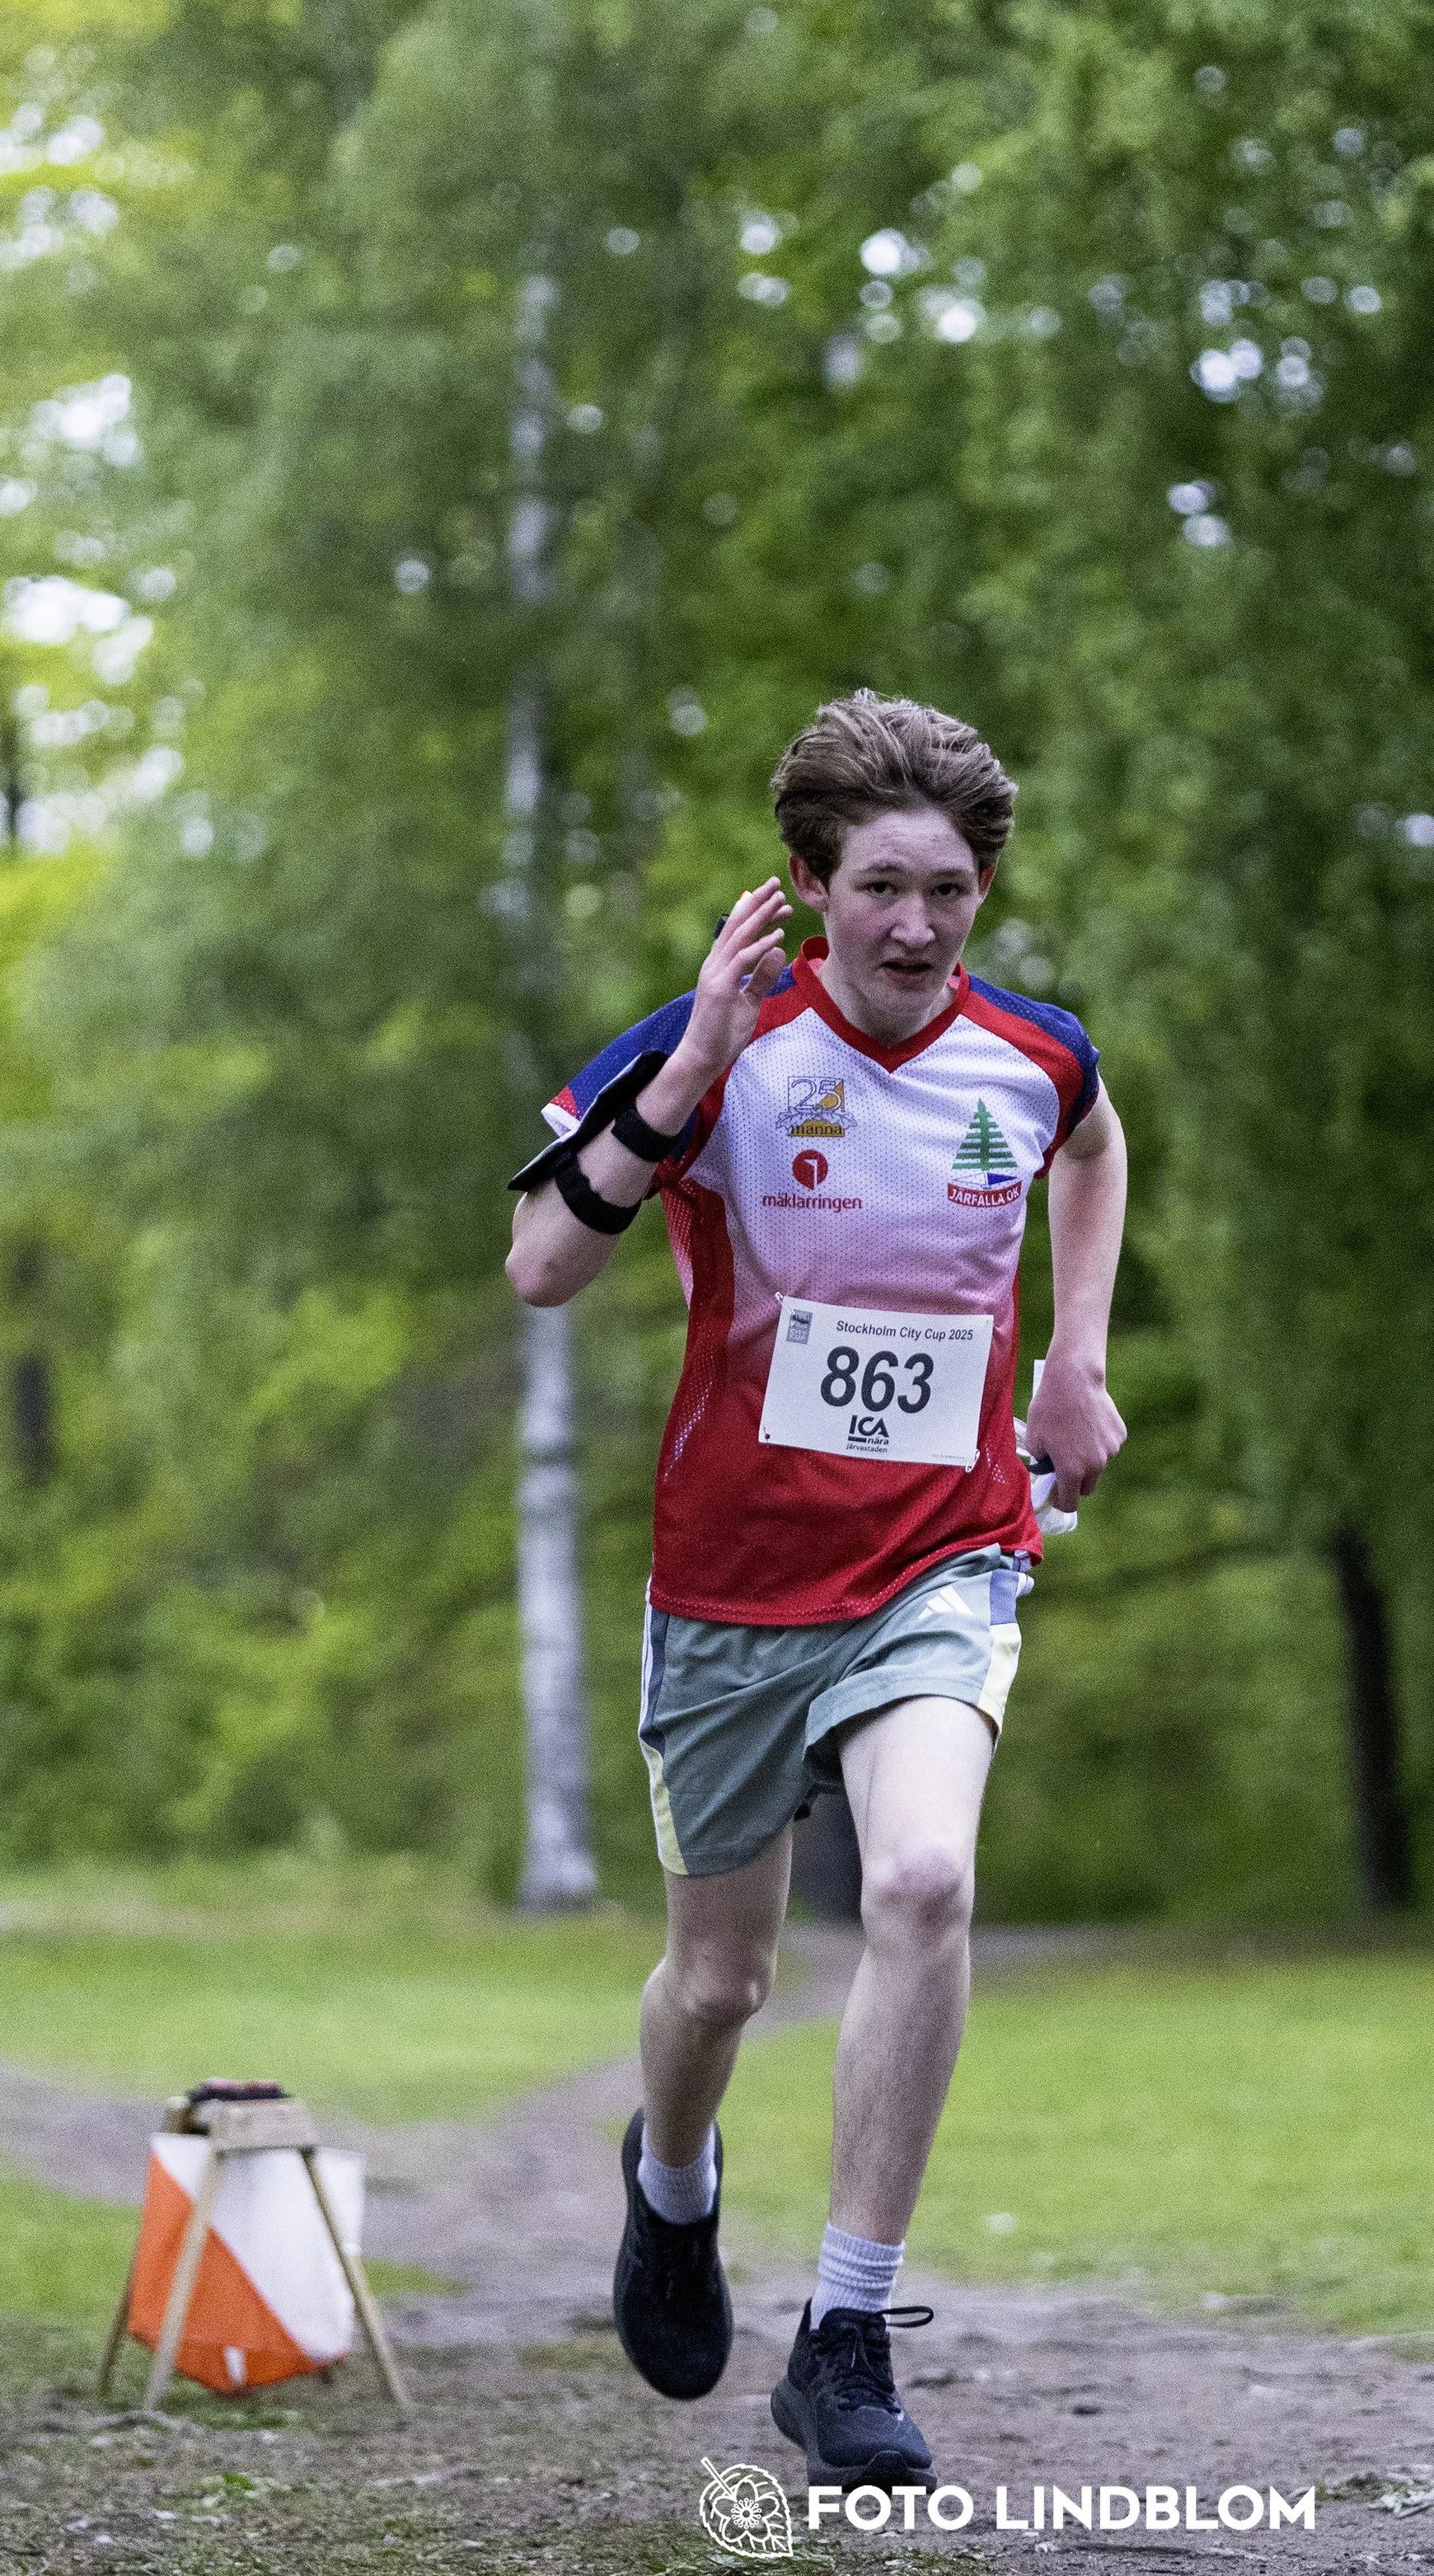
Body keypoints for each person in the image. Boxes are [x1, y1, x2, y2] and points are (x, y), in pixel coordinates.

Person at [505, 692, 1127, 2493]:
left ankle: (847, 2331)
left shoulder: (1029, 1051)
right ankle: (672, 2184)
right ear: (805, 884)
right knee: (720, 1979)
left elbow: (1088, 1141)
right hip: (733, 1574)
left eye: (951, 888)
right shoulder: (721, 1040)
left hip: (944, 1542)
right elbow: (544, 1263)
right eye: (880, 887)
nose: (919, 927)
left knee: (926, 1876)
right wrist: (687, 1069)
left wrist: (1074, 1360)